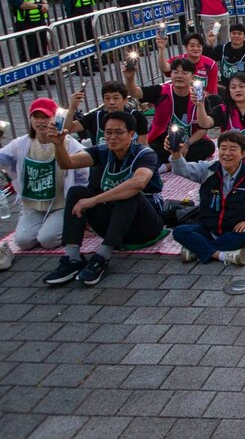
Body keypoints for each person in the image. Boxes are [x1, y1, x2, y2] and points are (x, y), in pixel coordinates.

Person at [42, 112, 164, 286]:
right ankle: (72, 257)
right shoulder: (102, 152)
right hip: (115, 222)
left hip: (145, 224)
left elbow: (138, 183)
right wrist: (59, 145)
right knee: (77, 193)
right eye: (108, 132)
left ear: (131, 134)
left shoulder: (145, 154)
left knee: (129, 193)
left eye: (118, 132)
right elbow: (66, 163)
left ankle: (102, 257)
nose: (112, 137)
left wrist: (95, 200)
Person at [170, 130, 245, 266]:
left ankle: (197, 249)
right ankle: (221, 255)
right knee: (179, 231)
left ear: (243, 154)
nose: (227, 153)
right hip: (207, 229)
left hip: (235, 230)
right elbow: (182, 169)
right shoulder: (208, 169)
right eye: (223, 148)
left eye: (233, 149)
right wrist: (175, 153)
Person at [0, 98, 88, 251]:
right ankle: (44, 222)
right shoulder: (21, 143)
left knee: (47, 240)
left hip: (62, 204)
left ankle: (63, 223)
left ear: (55, 118)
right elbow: (3, 158)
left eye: (45, 117)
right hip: (32, 205)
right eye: (36, 117)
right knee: (23, 242)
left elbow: (83, 176)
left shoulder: (70, 144)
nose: (40, 122)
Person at [125, 56, 215, 166]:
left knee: (208, 147)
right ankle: (175, 162)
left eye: (184, 73)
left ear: (192, 77)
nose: (179, 76)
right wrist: (130, 78)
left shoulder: (198, 96)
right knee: (145, 150)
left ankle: (168, 165)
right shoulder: (161, 91)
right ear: (171, 74)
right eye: (175, 72)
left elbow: (203, 128)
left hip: (188, 140)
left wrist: (186, 145)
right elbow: (135, 92)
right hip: (163, 141)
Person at [64, 80, 149, 145]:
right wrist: (72, 108)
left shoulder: (137, 117)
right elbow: (68, 128)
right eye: (107, 98)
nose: (111, 102)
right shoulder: (96, 116)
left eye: (116, 98)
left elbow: (143, 145)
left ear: (125, 100)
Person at [4, 0, 49, 65]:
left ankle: (43, 76)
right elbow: (18, 3)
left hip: (40, 20)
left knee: (42, 50)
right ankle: (30, 80)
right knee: (28, 52)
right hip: (25, 22)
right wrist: (38, 7)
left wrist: (45, 4)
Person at [156, 32, 219, 98]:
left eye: (199, 46)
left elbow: (211, 92)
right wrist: (161, 48)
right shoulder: (178, 60)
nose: (196, 49)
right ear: (186, 47)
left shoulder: (211, 64)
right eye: (192, 46)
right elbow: (164, 68)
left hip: (201, 100)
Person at [203, 23, 245, 92]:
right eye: (234, 33)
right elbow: (206, 60)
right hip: (223, 86)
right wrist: (209, 43)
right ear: (230, 34)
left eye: (239, 34)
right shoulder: (222, 48)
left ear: (244, 36)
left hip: (240, 88)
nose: (236, 36)